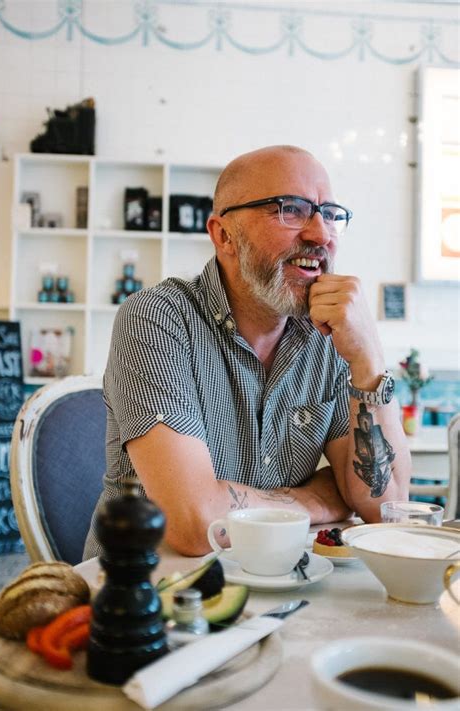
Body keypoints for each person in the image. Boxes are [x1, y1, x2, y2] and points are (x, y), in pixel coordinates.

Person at [84, 145, 411, 559]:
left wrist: (368, 361)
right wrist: (320, 499)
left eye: (329, 213)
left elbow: (388, 508)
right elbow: (196, 523)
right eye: (290, 210)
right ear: (224, 236)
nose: (320, 233)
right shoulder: (157, 319)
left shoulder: (326, 338)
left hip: (275, 584)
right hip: (148, 596)